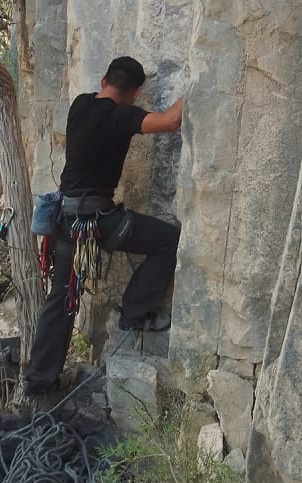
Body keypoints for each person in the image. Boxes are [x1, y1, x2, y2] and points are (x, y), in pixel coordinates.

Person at [24, 56, 183, 399]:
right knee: (168, 241)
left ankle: (40, 381)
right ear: (136, 91)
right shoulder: (122, 116)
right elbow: (170, 121)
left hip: (65, 218)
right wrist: (198, 83)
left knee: (62, 299)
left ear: (103, 80)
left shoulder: (80, 106)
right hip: (98, 221)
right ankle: (136, 313)